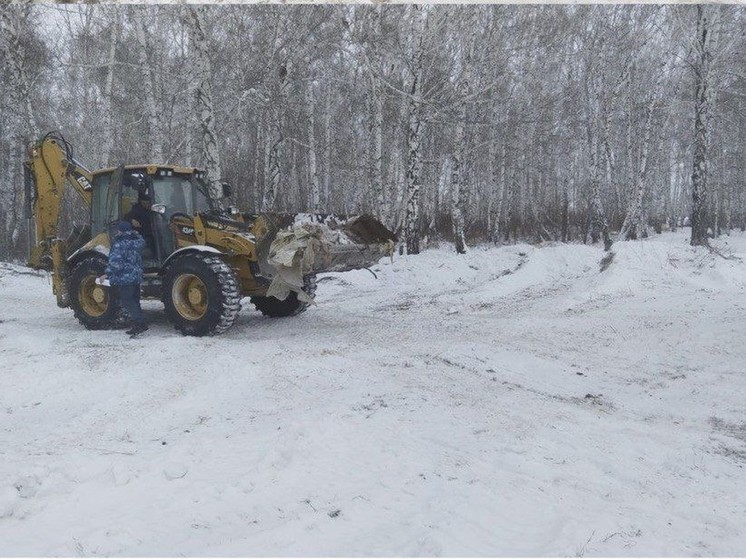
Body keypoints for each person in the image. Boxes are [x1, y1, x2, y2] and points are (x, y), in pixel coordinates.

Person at [100, 220, 148, 337]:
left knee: (127, 301)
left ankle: (139, 323)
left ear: (120, 231)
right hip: (136, 277)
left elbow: (115, 263)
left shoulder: (119, 244)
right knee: (135, 300)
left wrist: (106, 274)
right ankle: (139, 323)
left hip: (125, 278)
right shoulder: (136, 242)